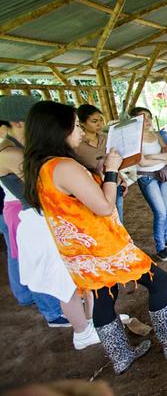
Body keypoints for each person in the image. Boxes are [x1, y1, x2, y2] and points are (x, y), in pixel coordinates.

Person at [23, 101, 167, 374]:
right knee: (159, 280)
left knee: (103, 296)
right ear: (57, 130)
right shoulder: (64, 166)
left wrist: (103, 180)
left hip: (78, 252)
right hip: (103, 245)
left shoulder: (40, 167)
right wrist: (111, 170)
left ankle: (121, 357)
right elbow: (104, 207)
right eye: (75, 126)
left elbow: (78, 200)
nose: (81, 133)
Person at [0, 96, 99, 350]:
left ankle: (91, 320)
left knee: (75, 272)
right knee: (60, 278)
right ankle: (77, 328)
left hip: (45, 216)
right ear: (19, 123)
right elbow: (43, 187)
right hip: (38, 219)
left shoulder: (22, 149)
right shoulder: (9, 152)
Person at [129, 107, 167, 262]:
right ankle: (160, 248)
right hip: (146, 177)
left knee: (166, 209)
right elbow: (143, 163)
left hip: (162, 174)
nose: (146, 121)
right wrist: (163, 158)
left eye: (148, 117)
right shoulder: (134, 140)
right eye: (141, 118)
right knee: (160, 212)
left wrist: (153, 156)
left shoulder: (157, 134)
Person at [74, 104, 126, 221]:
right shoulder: (77, 144)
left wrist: (122, 178)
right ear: (82, 123)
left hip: (114, 182)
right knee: (106, 220)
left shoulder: (107, 138)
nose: (99, 124)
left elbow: (113, 161)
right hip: (95, 188)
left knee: (119, 218)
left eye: (101, 120)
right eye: (94, 121)